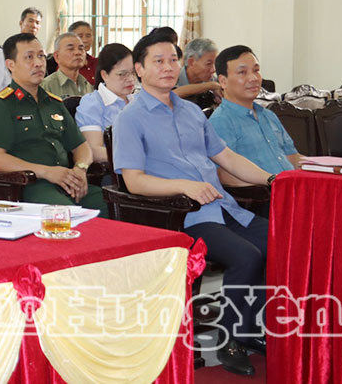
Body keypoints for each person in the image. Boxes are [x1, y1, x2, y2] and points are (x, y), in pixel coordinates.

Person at [112, 30, 274, 376]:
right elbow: (133, 180)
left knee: (278, 241)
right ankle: (229, 340)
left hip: (221, 206)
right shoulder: (130, 118)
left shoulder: (191, 112)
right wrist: (183, 186)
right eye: (158, 61)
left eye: (173, 60)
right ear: (139, 69)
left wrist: (272, 179)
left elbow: (227, 157)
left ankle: (248, 329)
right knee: (246, 255)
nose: (168, 67)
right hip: (179, 215)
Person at [0, 33, 107, 213]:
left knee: (113, 206)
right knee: (68, 215)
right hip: (30, 185)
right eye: (29, 57)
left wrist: (80, 169)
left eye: (41, 56)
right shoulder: (1, 105)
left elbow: (81, 146)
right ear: (11, 65)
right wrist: (46, 172)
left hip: (66, 181)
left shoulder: (54, 103)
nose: (38, 63)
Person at [209, 45, 302, 182]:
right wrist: (273, 185)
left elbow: (292, 157)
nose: (253, 78)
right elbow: (223, 175)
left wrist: (325, 167)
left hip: (292, 187)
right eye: (242, 72)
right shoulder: (221, 121)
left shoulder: (268, 115)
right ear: (223, 81)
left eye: (256, 70)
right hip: (265, 192)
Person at [75, 43, 135, 163]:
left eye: (133, 72)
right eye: (122, 74)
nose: (130, 79)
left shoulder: (137, 100)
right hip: (116, 169)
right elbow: (94, 151)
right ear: (104, 75)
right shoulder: (92, 104)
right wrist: (136, 157)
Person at [41, 33, 93, 98]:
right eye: (71, 49)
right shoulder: (46, 86)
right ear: (57, 56)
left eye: (81, 49)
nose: (78, 53)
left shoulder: (87, 86)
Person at [67, 21, 99, 86]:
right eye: (80, 36)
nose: (85, 40)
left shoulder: (97, 62)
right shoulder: (66, 64)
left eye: (88, 36)